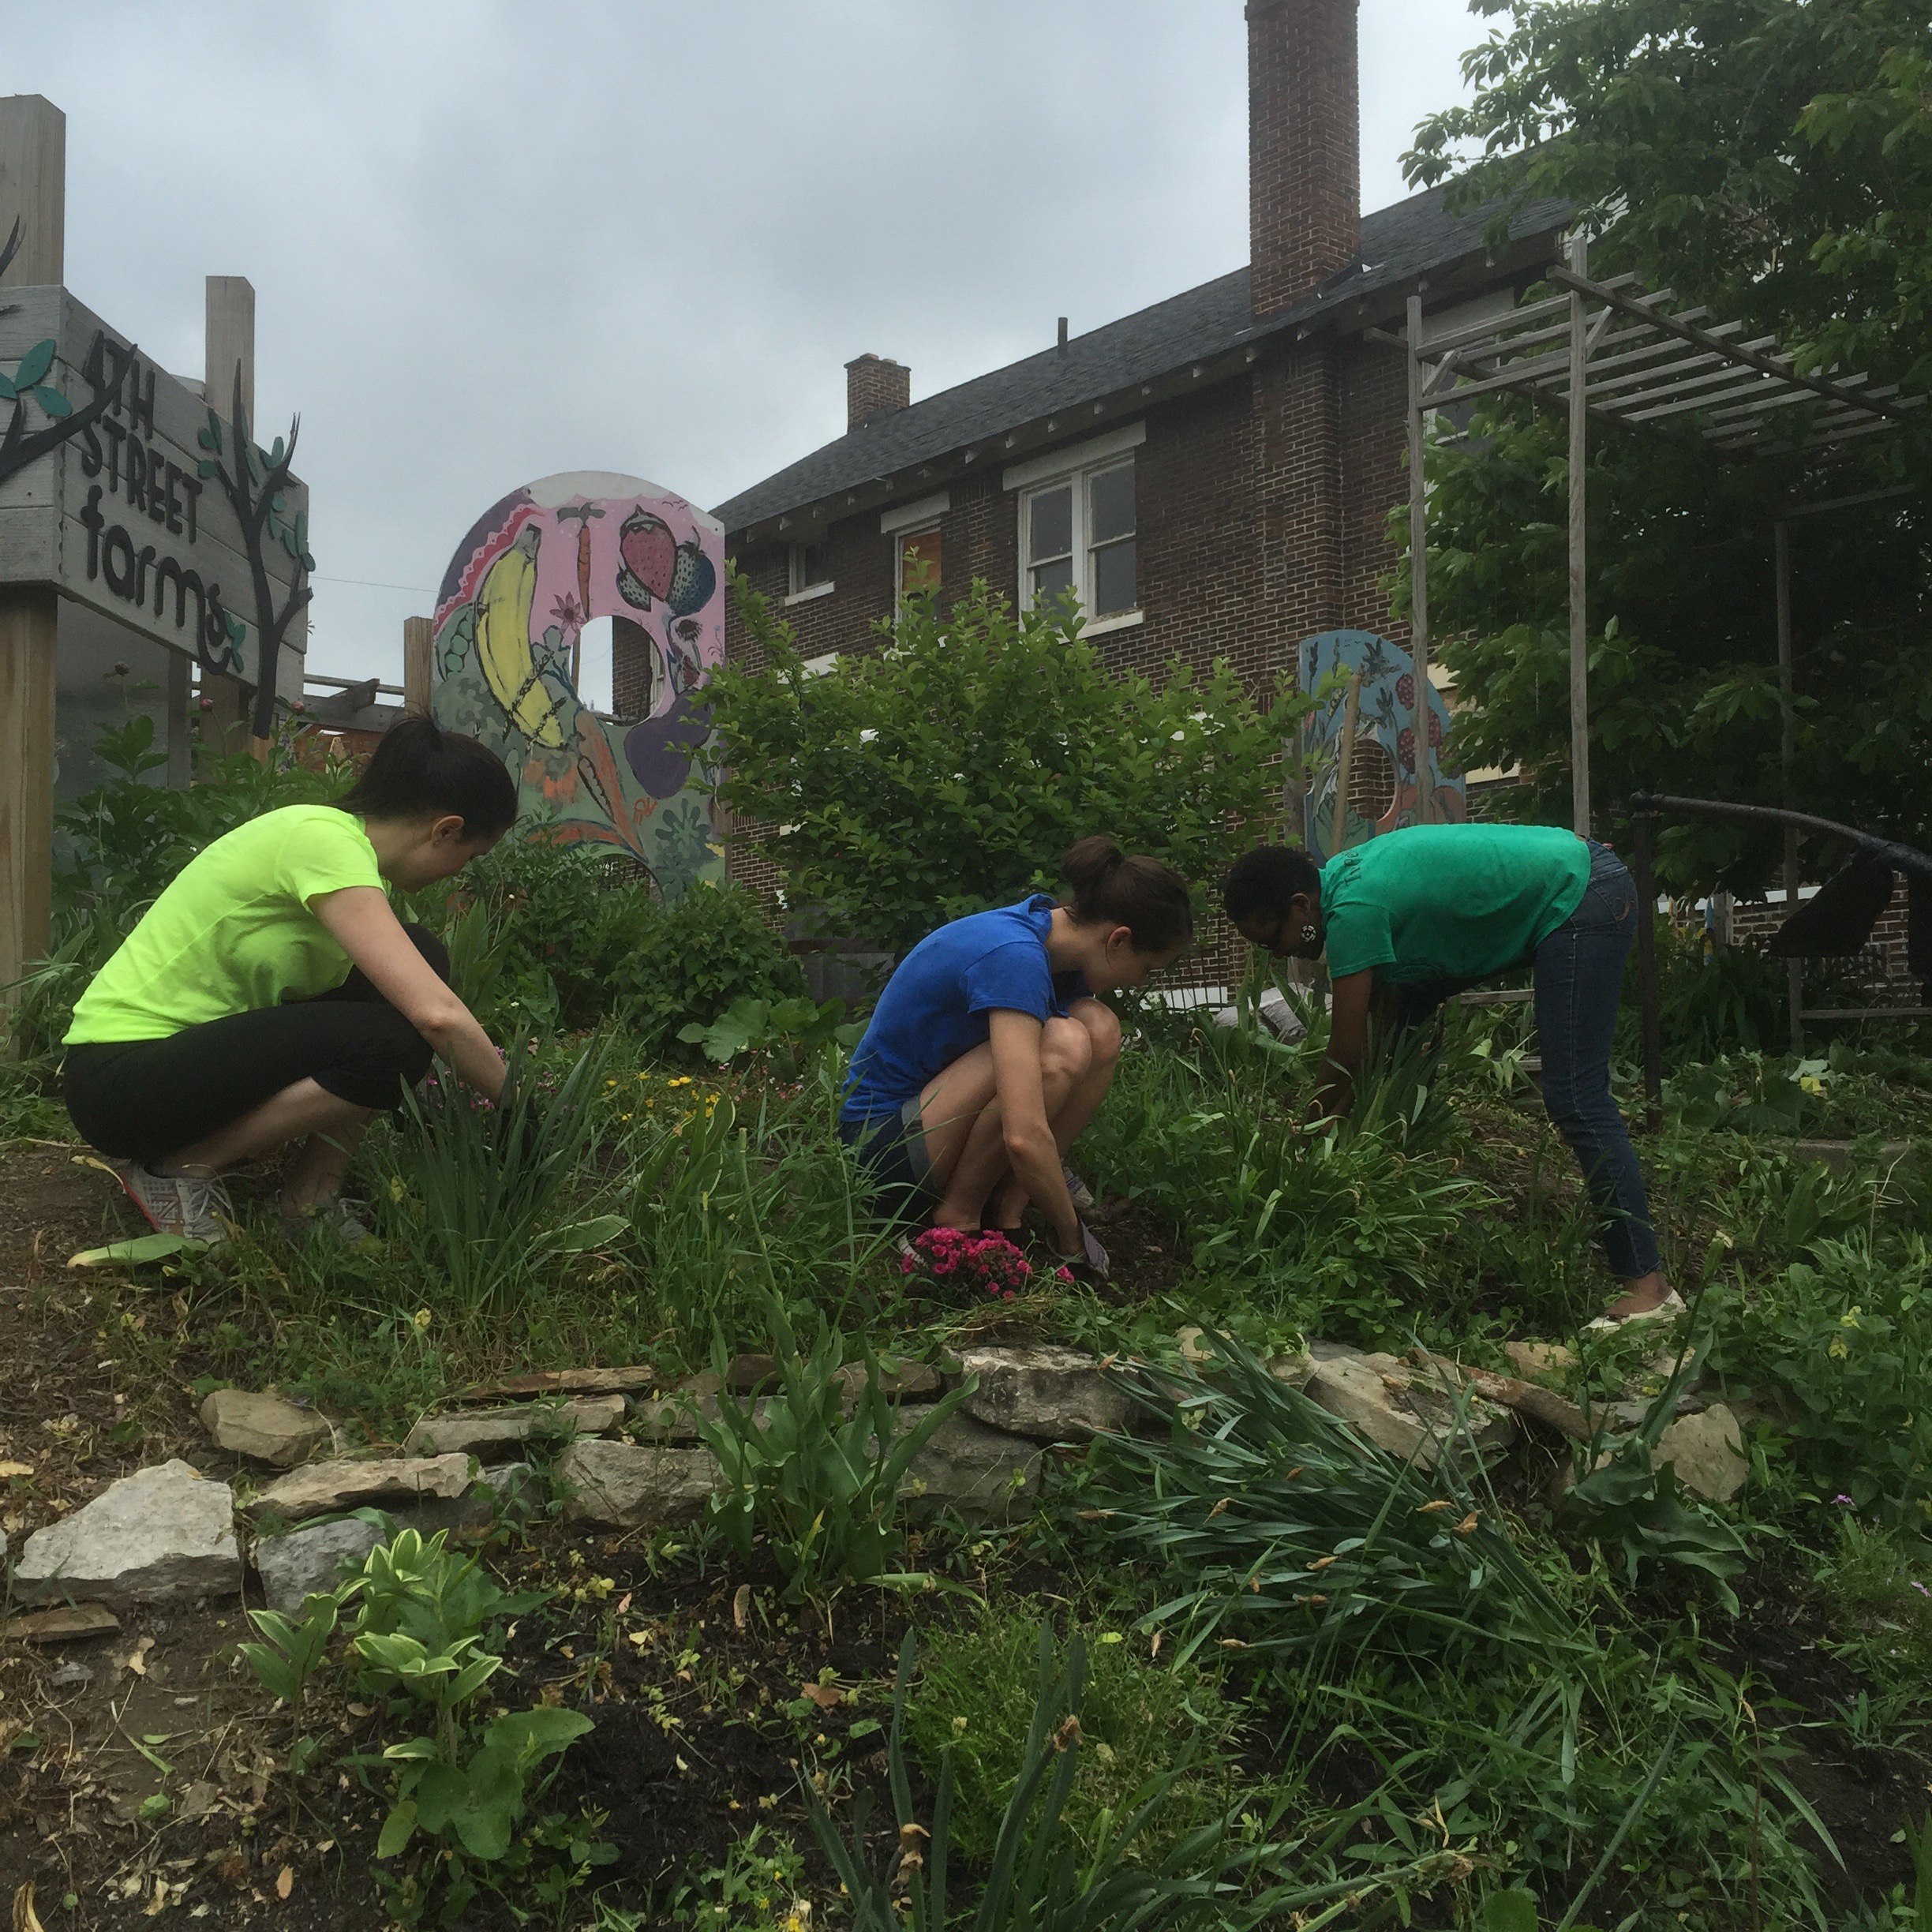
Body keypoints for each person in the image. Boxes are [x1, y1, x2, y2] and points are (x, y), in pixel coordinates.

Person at [62, 718, 520, 1247]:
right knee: (394, 1041)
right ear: (446, 829)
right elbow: (435, 1015)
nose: (461, 871)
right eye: (470, 855)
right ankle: (178, 1168)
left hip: (180, 1066)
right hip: (120, 1079)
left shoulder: (346, 860)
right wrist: (518, 1104)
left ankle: (309, 1202)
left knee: (418, 957)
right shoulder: (323, 842)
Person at [1222, 826, 1678, 1326]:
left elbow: (1345, 1054)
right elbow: (1377, 1032)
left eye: (1272, 939)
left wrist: (1303, 1139)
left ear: (1301, 907)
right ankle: (1394, 1182)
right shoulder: (1343, 887)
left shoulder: (1353, 912)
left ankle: (1646, 1285)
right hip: (1577, 873)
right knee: (1399, 1025)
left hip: (1580, 896)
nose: (1279, 953)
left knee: (1575, 1096)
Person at [838, 837, 1193, 1272]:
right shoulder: (1015, 956)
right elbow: (1022, 1135)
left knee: (1100, 1029)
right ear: (1118, 940)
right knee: (1065, 1041)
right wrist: (1071, 1235)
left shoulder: (1053, 940)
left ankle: (1007, 1210)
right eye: (1147, 969)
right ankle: (957, 1218)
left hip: (932, 1125)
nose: (1140, 983)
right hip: (881, 1153)